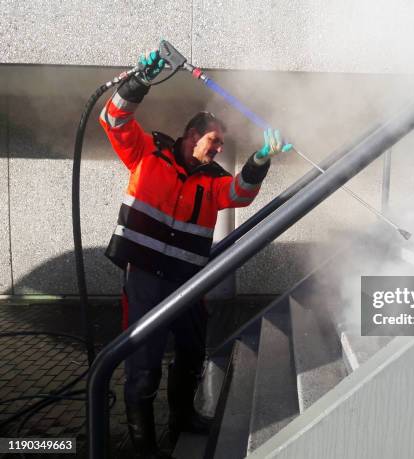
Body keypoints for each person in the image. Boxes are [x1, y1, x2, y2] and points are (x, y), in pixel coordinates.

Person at [99, 50, 292, 458]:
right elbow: (114, 121)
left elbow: (240, 195)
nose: (218, 149)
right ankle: (145, 445)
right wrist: (138, 83)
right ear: (191, 136)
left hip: (188, 283)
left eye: (221, 144)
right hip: (146, 279)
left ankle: (183, 416)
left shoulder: (214, 181)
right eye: (213, 141)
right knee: (143, 361)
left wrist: (259, 160)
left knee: (190, 352)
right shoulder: (147, 156)